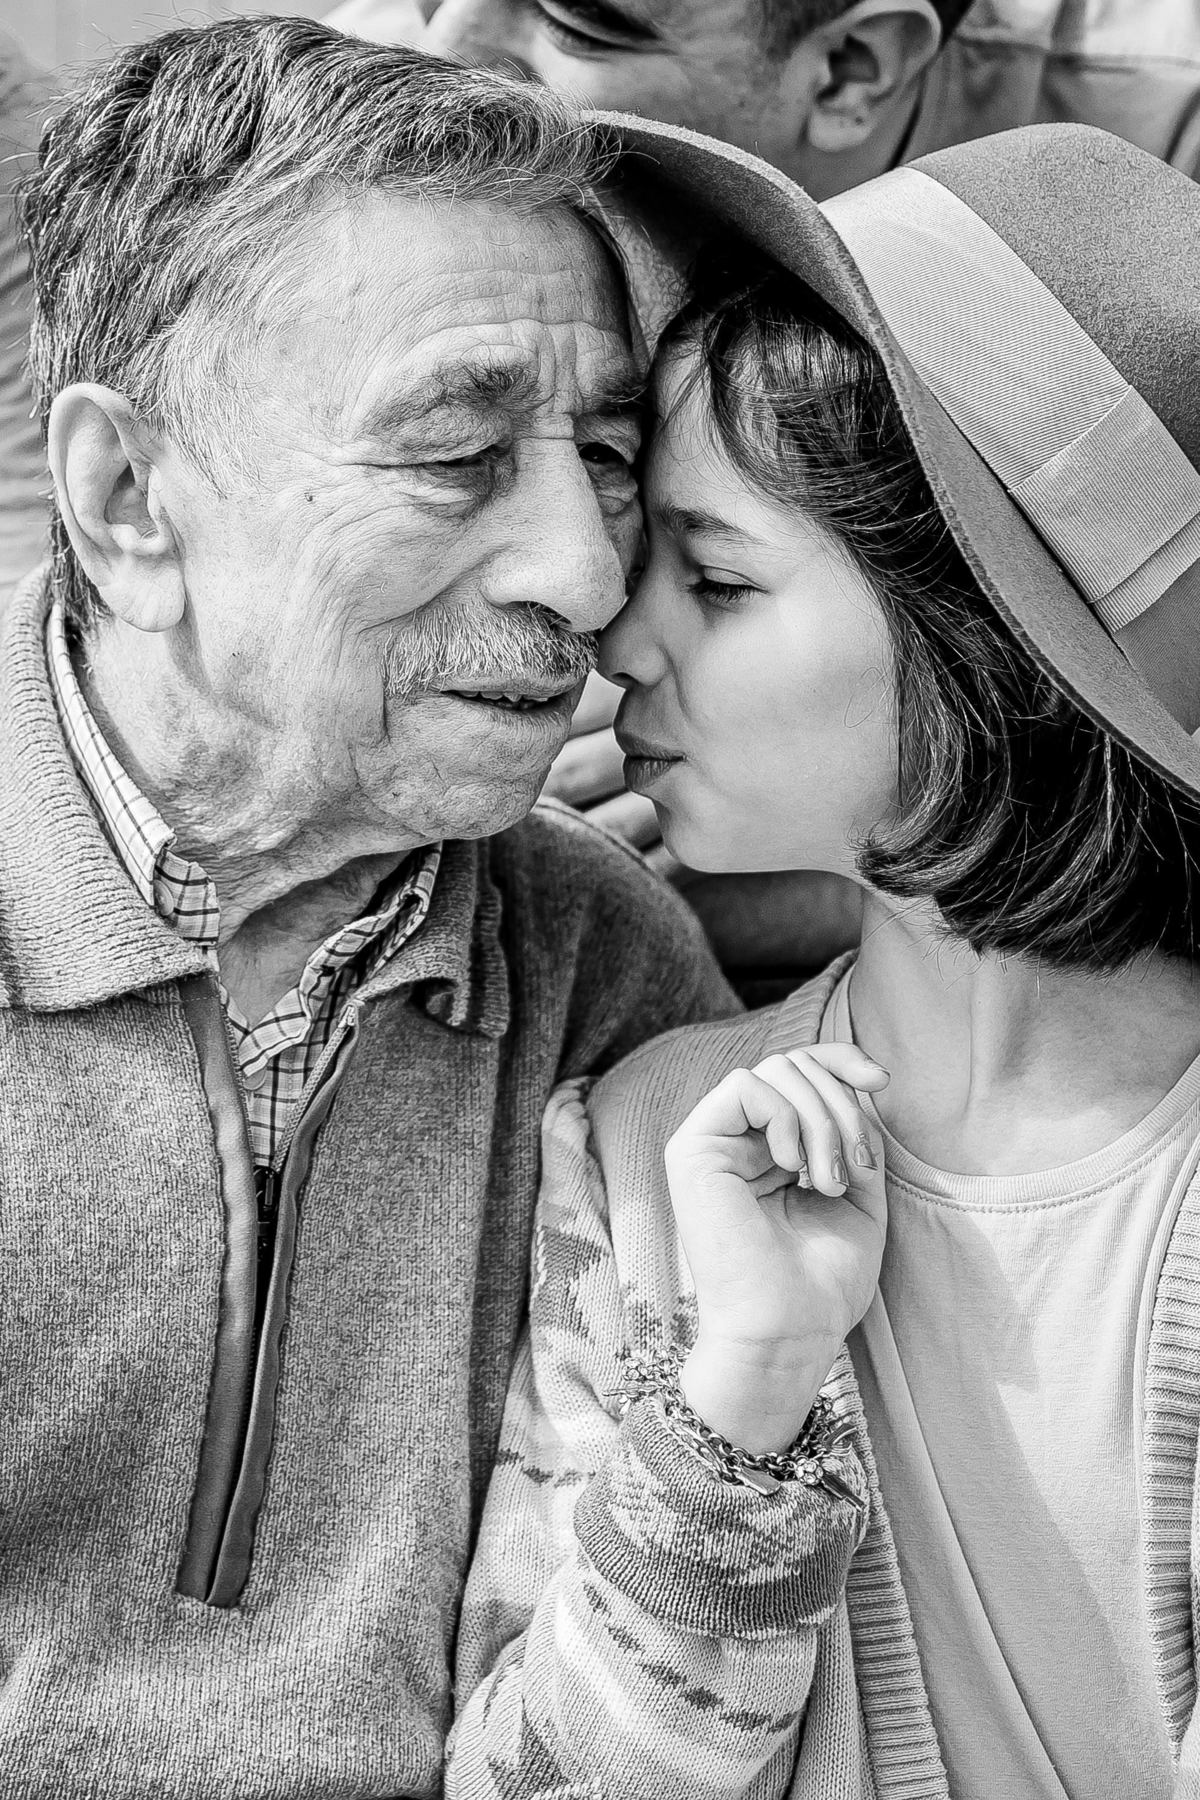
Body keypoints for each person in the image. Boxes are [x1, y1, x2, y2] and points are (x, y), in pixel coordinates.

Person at [0, 20, 740, 1794]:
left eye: (608, 453)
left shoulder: (607, 969)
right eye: (455, 453)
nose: (585, 573)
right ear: (127, 502)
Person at [451, 122, 1200, 1795]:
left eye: (717, 579)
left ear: (989, 643)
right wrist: (741, 1399)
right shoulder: (643, 1155)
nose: (615, 635)